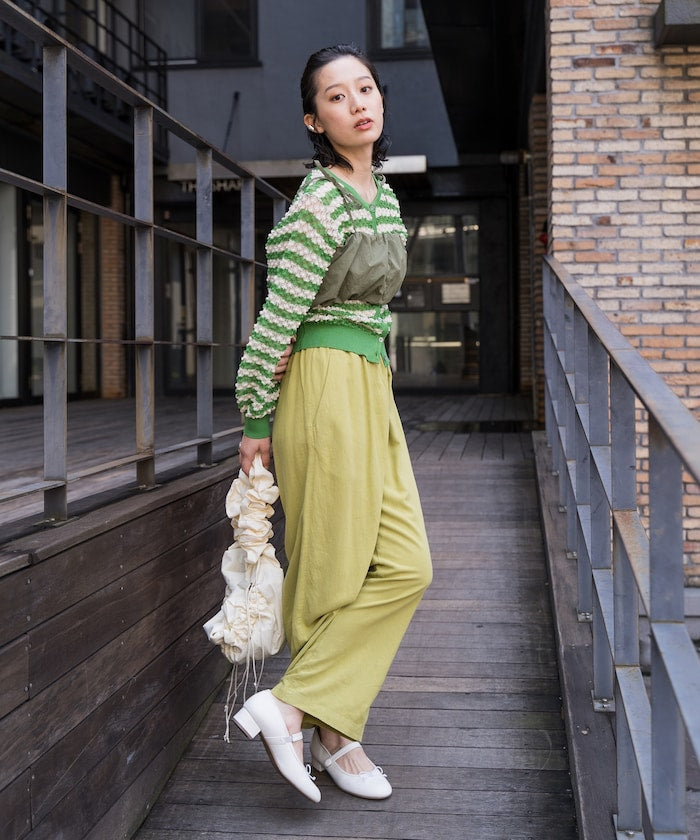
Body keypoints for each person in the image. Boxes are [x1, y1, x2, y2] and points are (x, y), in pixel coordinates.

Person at [232, 44, 432, 803]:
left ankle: (293, 708)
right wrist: (257, 416)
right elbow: (278, 313)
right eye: (337, 96)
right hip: (321, 381)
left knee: (407, 564)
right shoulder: (319, 200)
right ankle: (335, 734)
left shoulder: (382, 194)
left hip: (371, 383)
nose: (358, 103)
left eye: (366, 88)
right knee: (329, 567)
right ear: (315, 120)